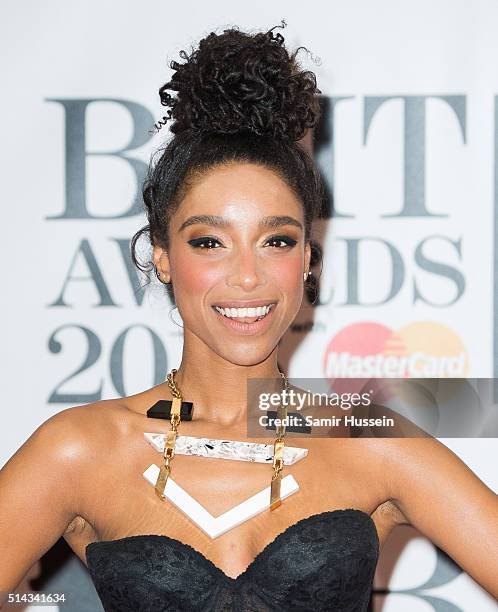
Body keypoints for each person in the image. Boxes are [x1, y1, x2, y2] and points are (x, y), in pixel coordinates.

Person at [1, 21, 497, 612]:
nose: (247, 276)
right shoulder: (79, 449)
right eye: (210, 242)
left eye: (278, 241)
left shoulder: (366, 439)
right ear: (161, 255)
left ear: (308, 257)